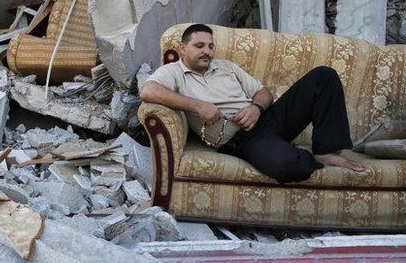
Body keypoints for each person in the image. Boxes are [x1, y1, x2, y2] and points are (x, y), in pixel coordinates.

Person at [139, 24, 365, 184]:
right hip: (242, 138)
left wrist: (255, 108)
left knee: (323, 76)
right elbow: (148, 91)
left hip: (267, 119)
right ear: (182, 48)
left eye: (210, 46)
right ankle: (287, 152)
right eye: (199, 46)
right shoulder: (174, 73)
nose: (207, 51)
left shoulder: (226, 67)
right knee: (290, 167)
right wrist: (197, 106)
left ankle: (325, 151)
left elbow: (263, 92)